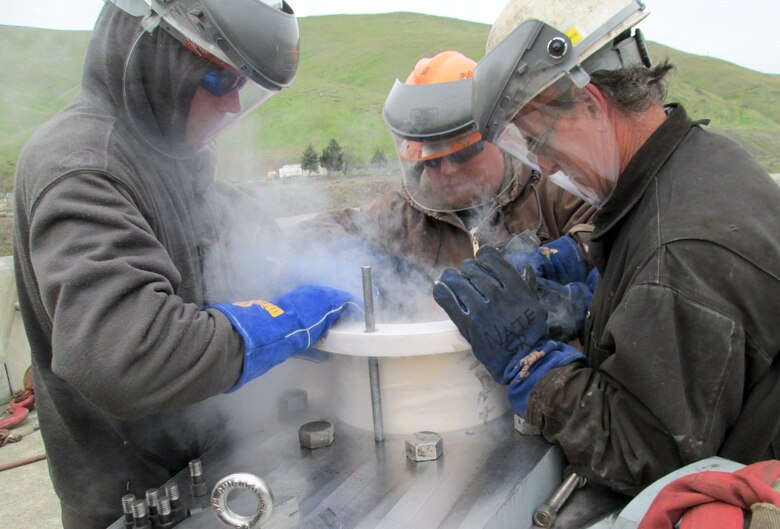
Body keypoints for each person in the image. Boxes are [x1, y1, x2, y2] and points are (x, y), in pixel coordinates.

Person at [12, 1, 356, 527]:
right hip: (137, 501)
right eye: (220, 79)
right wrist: (278, 323)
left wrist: (310, 269)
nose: (233, 105)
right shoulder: (82, 163)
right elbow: (125, 355)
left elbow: (236, 242)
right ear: (156, 57)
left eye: (245, 85)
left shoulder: (174, 161)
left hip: (213, 471)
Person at [433, 0, 780, 496]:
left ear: (592, 103)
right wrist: (595, 283)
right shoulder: (697, 162)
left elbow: (644, 456)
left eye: (538, 141)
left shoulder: (679, 253)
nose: (545, 165)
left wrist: (528, 360)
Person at [290, 50, 595, 328]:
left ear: (497, 136)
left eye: (463, 154)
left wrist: (542, 269)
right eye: (431, 162)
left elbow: (606, 240)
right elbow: (310, 234)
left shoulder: (553, 191)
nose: (448, 170)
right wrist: (370, 263)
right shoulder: (400, 214)